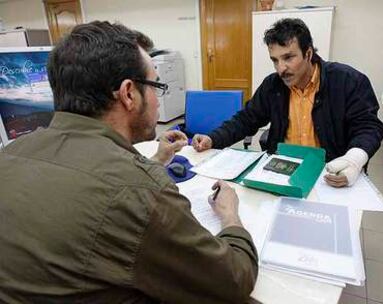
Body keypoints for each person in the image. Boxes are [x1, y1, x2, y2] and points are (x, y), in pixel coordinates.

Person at [0, 21, 258, 304]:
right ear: (128, 93)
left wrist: (157, 161)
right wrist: (230, 217)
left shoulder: (11, 154)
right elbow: (234, 279)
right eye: (156, 86)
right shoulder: (140, 191)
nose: (158, 102)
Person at [193, 18, 383, 188]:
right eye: (275, 60)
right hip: (281, 172)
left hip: (328, 173)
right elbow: (246, 119)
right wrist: (213, 138)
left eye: (288, 58)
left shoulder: (348, 81)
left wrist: (353, 160)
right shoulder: (273, 85)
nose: (281, 69)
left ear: (308, 54)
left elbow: (368, 127)